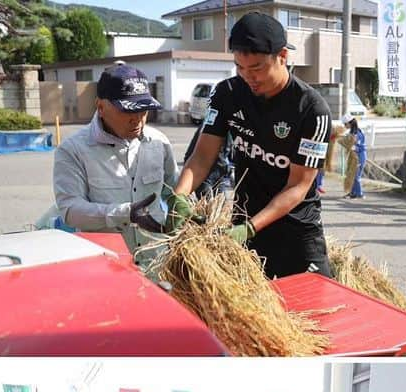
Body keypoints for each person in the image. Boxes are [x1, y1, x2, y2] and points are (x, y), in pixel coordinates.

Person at [172, 12, 333, 279]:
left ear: (282, 56)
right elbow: (202, 157)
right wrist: (178, 196)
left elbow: (298, 186)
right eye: (240, 67)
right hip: (244, 220)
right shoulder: (228, 94)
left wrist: (249, 228)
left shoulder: (311, 109)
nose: (248, 77)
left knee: (316, 310)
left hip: (297, 231)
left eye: (257, 68)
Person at [54, 63, 178, 253]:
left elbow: (173, 190)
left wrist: (183, 205)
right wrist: (125, 213)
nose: (137, 119)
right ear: (101, 107)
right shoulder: (73, 150)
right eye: (128, 110)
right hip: (107, 266)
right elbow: (70, 211)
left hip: (156, 262)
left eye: (143, 110)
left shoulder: (159, 142)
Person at [344, 116, 366, 199]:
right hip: (354, 156)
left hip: (359, 156)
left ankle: (360, 194)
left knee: (356, 176)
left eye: (345, 124)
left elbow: (357, 146)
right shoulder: (352, 132)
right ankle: (352, 193)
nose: (344, 126)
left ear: (350, 123)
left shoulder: (357, 133)